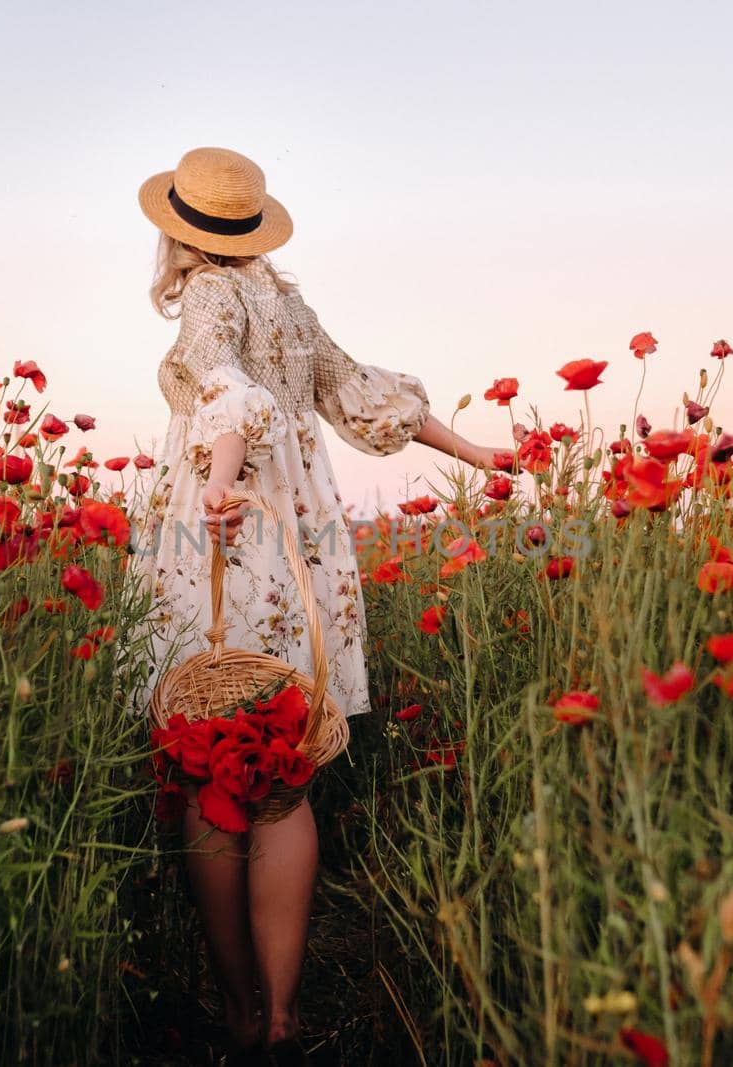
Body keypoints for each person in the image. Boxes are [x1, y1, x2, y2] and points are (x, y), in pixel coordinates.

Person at [133, 147, 499, 1059]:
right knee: (285, 771)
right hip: (303, 538)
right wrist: (480, 456)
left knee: (212, 763)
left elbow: (227, 394)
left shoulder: (212, 298)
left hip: (225, 531)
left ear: (178, 231)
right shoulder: (290, 306)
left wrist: (217, 484)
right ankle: (287, 1011)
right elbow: (363, 395)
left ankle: (236, 1005)